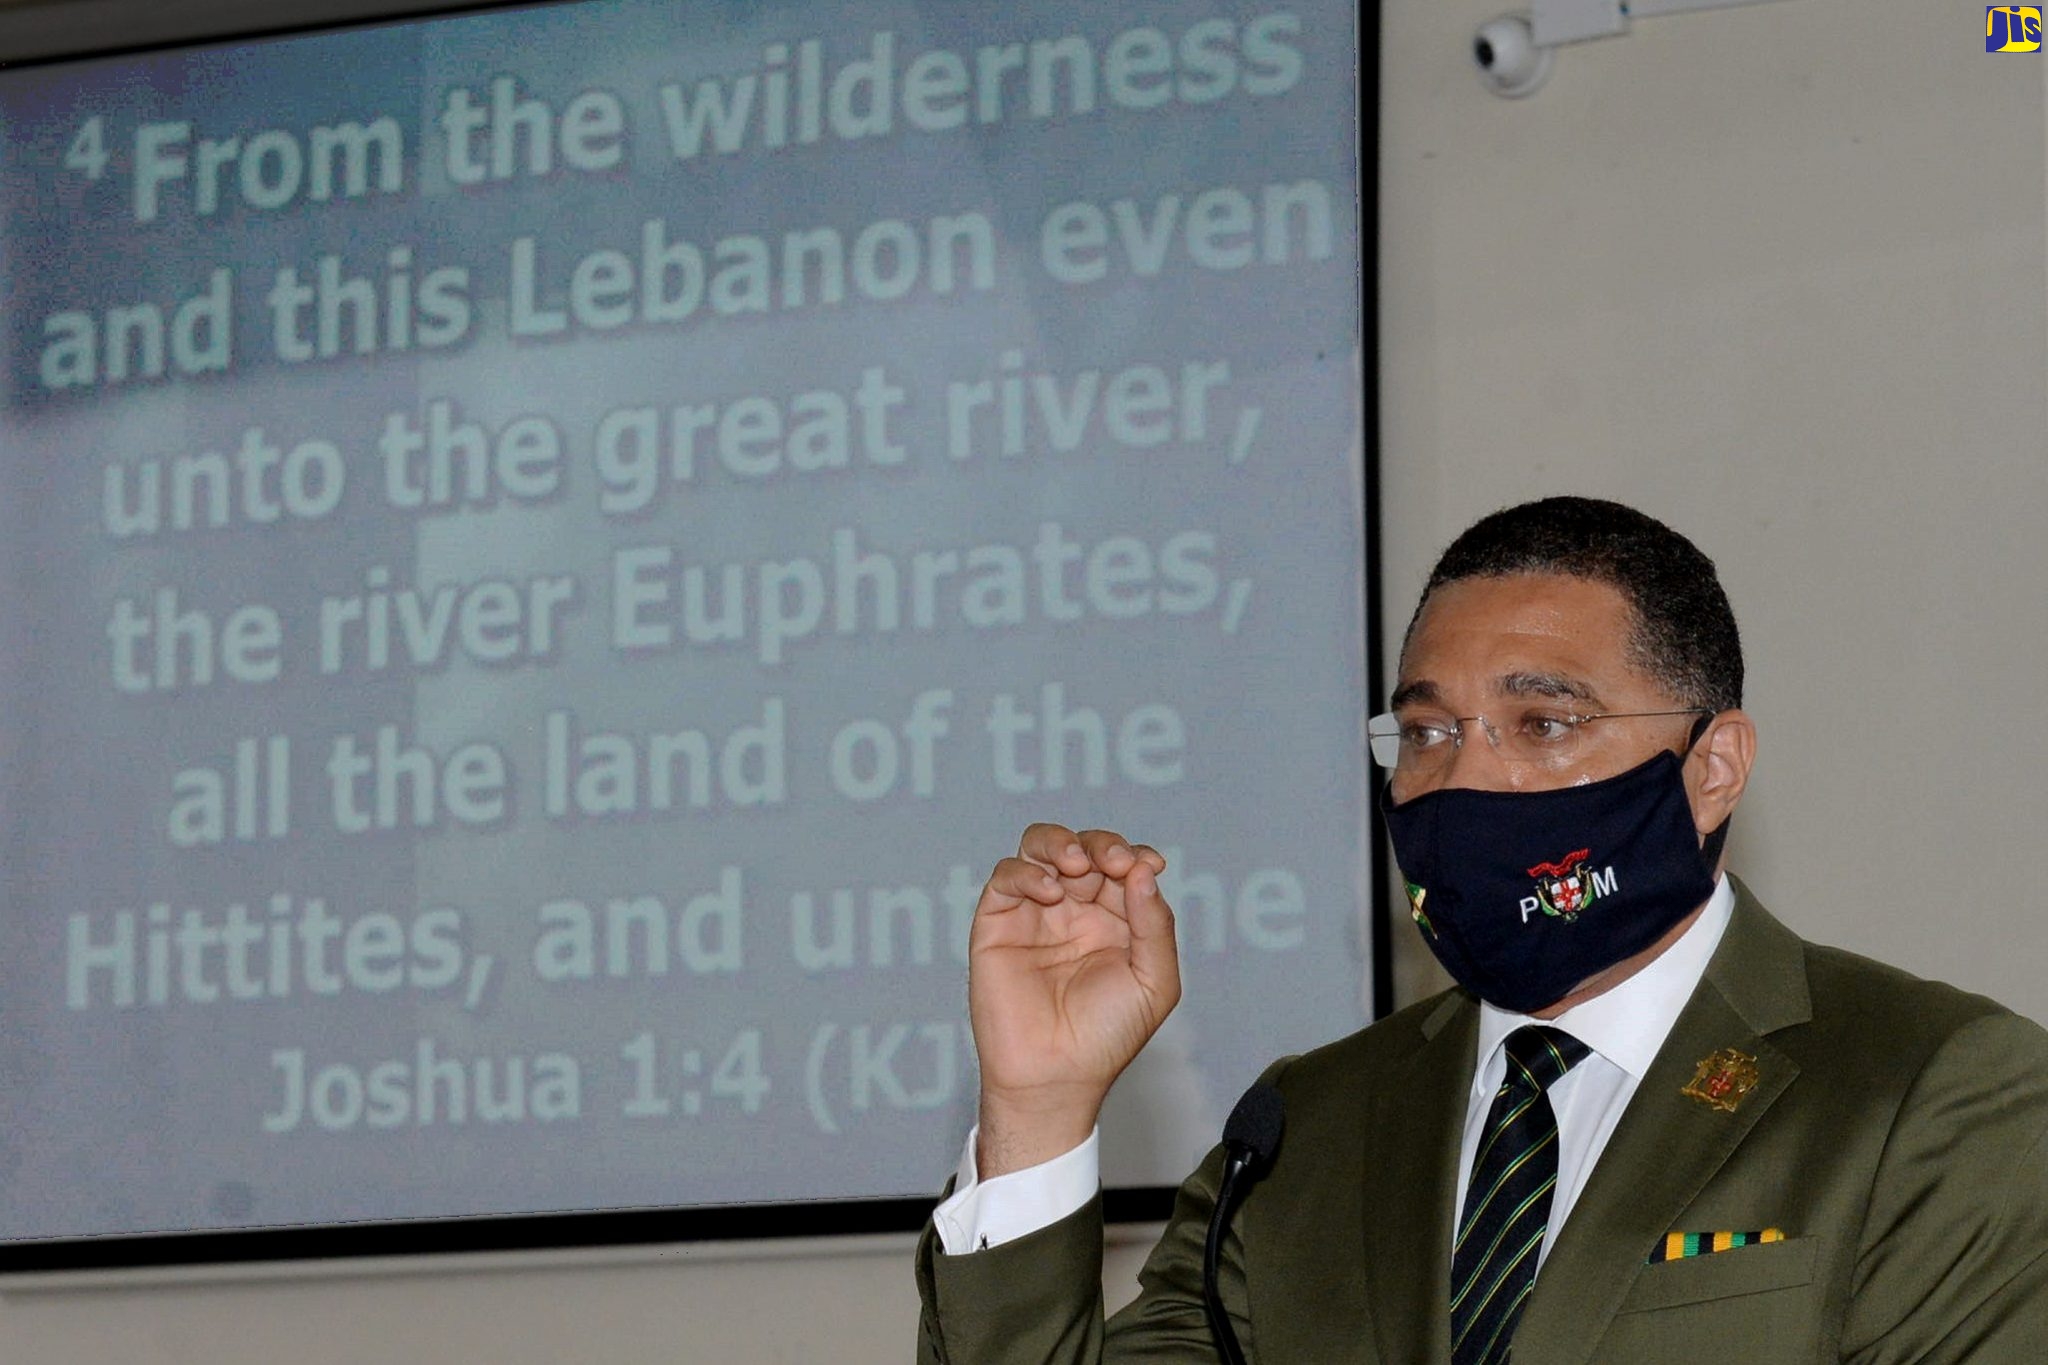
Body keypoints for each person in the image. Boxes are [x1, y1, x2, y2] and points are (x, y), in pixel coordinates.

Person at [912, 497, 2048, 1364]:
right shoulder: (1303, 1132)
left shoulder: (1930, 1092)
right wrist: (1036, 1106)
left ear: (1709, 767)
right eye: (1423, 735)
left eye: (1541, 723)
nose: (1467, 778)